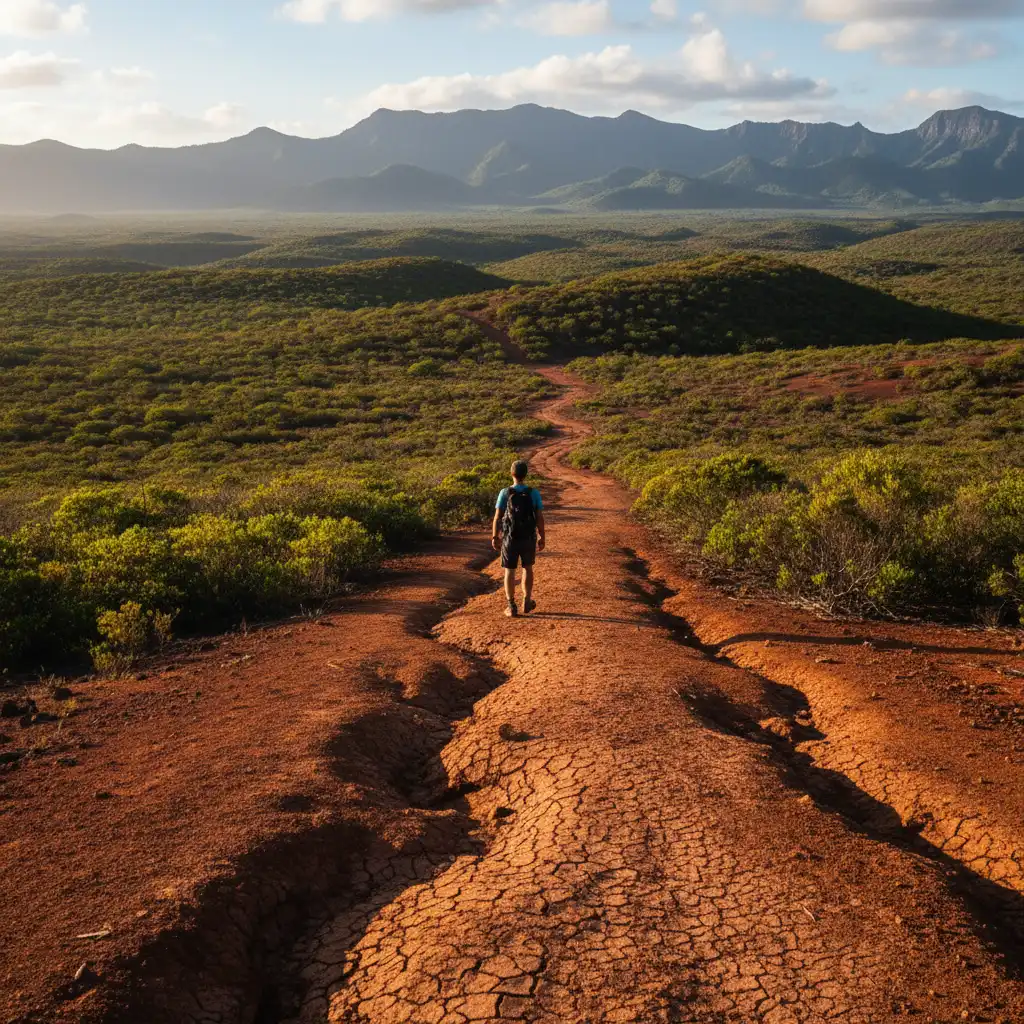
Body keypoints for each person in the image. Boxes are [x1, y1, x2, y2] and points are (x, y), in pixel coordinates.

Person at [492, 460, 546, 618]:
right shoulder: (533, 493)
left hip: (510, 537)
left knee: (509, 570)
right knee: (527, 568)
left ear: (512, 474)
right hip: (528, 537)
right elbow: (539, 517)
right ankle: (527, 600)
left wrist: (495, 536)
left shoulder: (505, 492)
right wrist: (542, 536)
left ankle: (511, 605)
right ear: (525, 474)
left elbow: (497, 517)